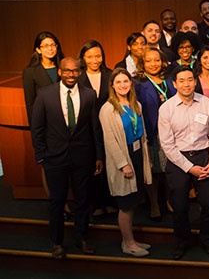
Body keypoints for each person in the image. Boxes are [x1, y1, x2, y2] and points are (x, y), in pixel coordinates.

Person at [30, 57, 104, 259]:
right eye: (67, 71)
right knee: (57, 200)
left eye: (75, 71)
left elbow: (94, 128)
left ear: (80, 72)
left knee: (83, 200)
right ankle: (57, 242)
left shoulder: (89, 95)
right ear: (60, 72)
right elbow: (37, 128)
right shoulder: (45, 95)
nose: (71, 74)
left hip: (83, 156)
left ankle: (81, 238)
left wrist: (98, 156)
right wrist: (41, 155)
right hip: (54, 158)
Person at [157, 66, 209, 260]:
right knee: (180, 205)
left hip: (204, 156)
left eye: (190, 79)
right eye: (182, 81)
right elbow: (167, 145)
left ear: (195, 81)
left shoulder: (207, 103)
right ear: (174, 84)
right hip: (178, 160)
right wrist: (189, 168)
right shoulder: (166, 108)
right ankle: (182, 241)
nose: (186, 84)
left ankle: (208, 240)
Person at [99, 68, 153, 257]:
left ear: (131, 83)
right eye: (118, 82)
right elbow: (110, 141)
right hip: (123, 158)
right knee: (126, 203)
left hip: (137, 154)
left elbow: (141, 132)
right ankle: (128, 243)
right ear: (112, 85)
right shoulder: (108, 109)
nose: (123, 85)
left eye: (126, 81)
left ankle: (129, 240)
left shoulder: (135, 103)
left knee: (134, 200)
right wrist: (124, 164)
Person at [135, 47, 175, 221]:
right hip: (152, 132)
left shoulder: (170, 80)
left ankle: (168, 200)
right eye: (149, 61)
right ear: (142, 63)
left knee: (170, 169)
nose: (153, 64)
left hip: (172, 132)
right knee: (154, 170)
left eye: (157, 60)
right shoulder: (138, 83)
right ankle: (154, 204)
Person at [78, 40, 115, 217]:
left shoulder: (110, 74)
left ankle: (109, 201)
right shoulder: (77, 77)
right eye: (90, 56)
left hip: (109, 126)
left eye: (98, 56)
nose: (95, 60)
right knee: (91, 165)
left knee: (110, 164)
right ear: (83, 58)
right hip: (86, 129)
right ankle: (96, 203)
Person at [24, 31, 65, 122]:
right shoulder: (30, 72)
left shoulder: (63, 67)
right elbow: (30, 104)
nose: (50, 48)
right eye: (45, 46)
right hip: (45, 120)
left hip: (65, 118)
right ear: (38, 50)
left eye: (53, 45)